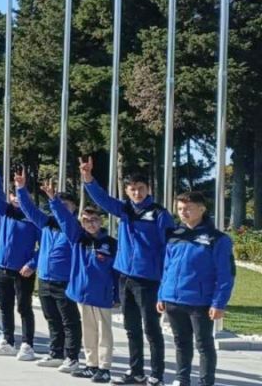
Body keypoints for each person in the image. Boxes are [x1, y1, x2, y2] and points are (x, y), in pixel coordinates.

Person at [83, 163, 174, 386]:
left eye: (140, 188)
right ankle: (136, 372)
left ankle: (156, 375)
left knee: (151, 329)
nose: (136, 192)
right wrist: (88, 179)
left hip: (149, 279)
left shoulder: (159, 214)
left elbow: (168, 249)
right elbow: (103, 200)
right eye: (132, 188)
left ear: (148, 189)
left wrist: (165, 280)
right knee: (131, 328)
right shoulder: (124, 209)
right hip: (125, 277)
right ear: (126, 191)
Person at [48, 157, 119, 384]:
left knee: (104, 333)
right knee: (89, 332)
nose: (90, 224)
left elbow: (116, 272)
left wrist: (117, 294)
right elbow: (64, 220)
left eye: (94, 220)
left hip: (102, 294)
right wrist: (53, 201)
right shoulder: (78, 239)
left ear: (101, 221)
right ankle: (91, 364)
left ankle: (105, 367)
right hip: (82, 293)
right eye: (86, 220)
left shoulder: (110, 243)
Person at [157, 191, 235, 386]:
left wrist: (219, 303)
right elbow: (167, 268)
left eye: (189, 208)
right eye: (181, 209)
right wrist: (161, 295)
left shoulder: (217, 239)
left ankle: (205, 382)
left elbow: (225, 275)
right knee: (181, 343)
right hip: (173, 300)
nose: (184, 212)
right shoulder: (175, 235)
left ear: (202, 208)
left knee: (204, 345)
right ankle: (182, 379)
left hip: (200, 302)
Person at [15, 168, 82, 371]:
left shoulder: (74, 228)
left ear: (74, 209)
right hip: (44, 280)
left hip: (64, 282)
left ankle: (72, 356)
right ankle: (56, 353)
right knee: (52, 318)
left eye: (66, 205)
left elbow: (65, 219)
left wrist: (54, 201)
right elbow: (29, 210)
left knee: (69, 320)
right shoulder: (47, 224)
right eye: (58, 205)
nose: (61, 209)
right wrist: (20, 189)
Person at [0, 151, 41, 361]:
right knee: (5, 307)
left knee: (24, 308)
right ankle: (7, 340)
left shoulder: (35, 218)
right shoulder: (6, 211)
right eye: (13, 194)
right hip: (2, 269)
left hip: (23, 271)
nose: (15, 198)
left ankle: (27, 345)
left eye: (20, 194)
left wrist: (32, 263)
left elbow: (45, 246)